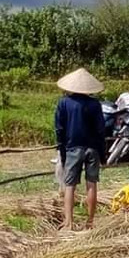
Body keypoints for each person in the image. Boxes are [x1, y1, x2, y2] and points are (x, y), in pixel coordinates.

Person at [54, 67, 106, 231]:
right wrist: (102, 153)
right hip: (93, 148)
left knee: (69, 185)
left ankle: (68, 223)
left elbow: (59, 128)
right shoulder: (95, 104)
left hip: (73, 148)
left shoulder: (64, 103)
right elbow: (100, 129)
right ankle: (90, 222)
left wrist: (62, 151)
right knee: (91, 184)